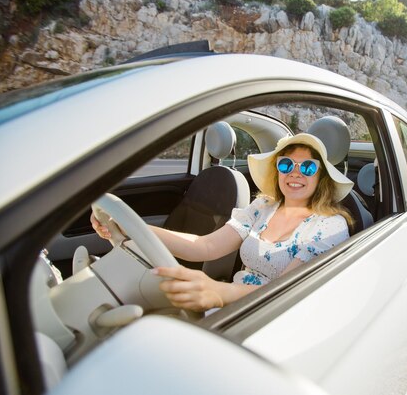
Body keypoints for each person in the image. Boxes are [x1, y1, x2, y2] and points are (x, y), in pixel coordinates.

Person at [92, 133, 354, 312]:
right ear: (278, 171)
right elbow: (203, 246)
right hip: (229, 305)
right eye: (287, 165)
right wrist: (133, 228)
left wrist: (218, 292)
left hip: (268, 315)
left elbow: (282, 292)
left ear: (321, 178)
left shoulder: (329, 226)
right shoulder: (262, 207)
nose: (295, 173)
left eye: (307, 168)